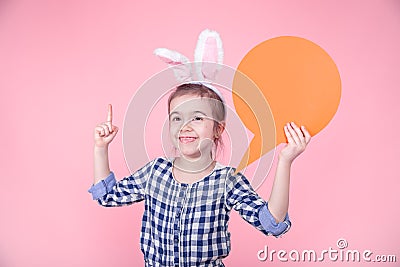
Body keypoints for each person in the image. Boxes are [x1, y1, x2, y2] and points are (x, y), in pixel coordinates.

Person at [88, 82, 311, 267]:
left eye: (197, 118)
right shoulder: (154, 172)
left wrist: (285, 161)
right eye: (176, 118)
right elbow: (107, 196)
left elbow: (272, 223)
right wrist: (101, 148)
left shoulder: (227, 181)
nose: (185, 126)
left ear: (218, 129)